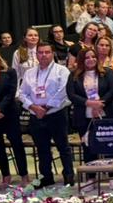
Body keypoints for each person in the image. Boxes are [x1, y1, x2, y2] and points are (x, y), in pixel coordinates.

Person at [18, 43, 74, 190]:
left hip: (56, 114)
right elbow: (22, 93)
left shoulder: (62, 71)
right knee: (42, 148)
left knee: (63, 146)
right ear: (36, 55)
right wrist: (33, 107)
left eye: (47, 52)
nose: (43, 55)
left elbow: (63, 91)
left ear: (52, 53)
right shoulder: (29, 73)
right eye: (40, 52)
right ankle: (46, 177)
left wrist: (47, 107)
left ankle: (68, 174)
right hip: (36, 115)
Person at [67, 47, 113, 163]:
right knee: (88, 147)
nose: (91, 59)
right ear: (81, 60)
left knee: (109, 147)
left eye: (93, 57)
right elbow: (71, 94)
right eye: (87, 58)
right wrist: (89, 103)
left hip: (107, 114)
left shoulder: (107, 72)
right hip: (84, 116)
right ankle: (91, 177)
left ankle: (111, 177)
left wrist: (99, 104)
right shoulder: (74, 75)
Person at [0, 53, 28, 187]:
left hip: (10, 113)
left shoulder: (9, 71)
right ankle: (6, 175)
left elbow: (11, 93)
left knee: (17, 144)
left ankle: (24, 174)